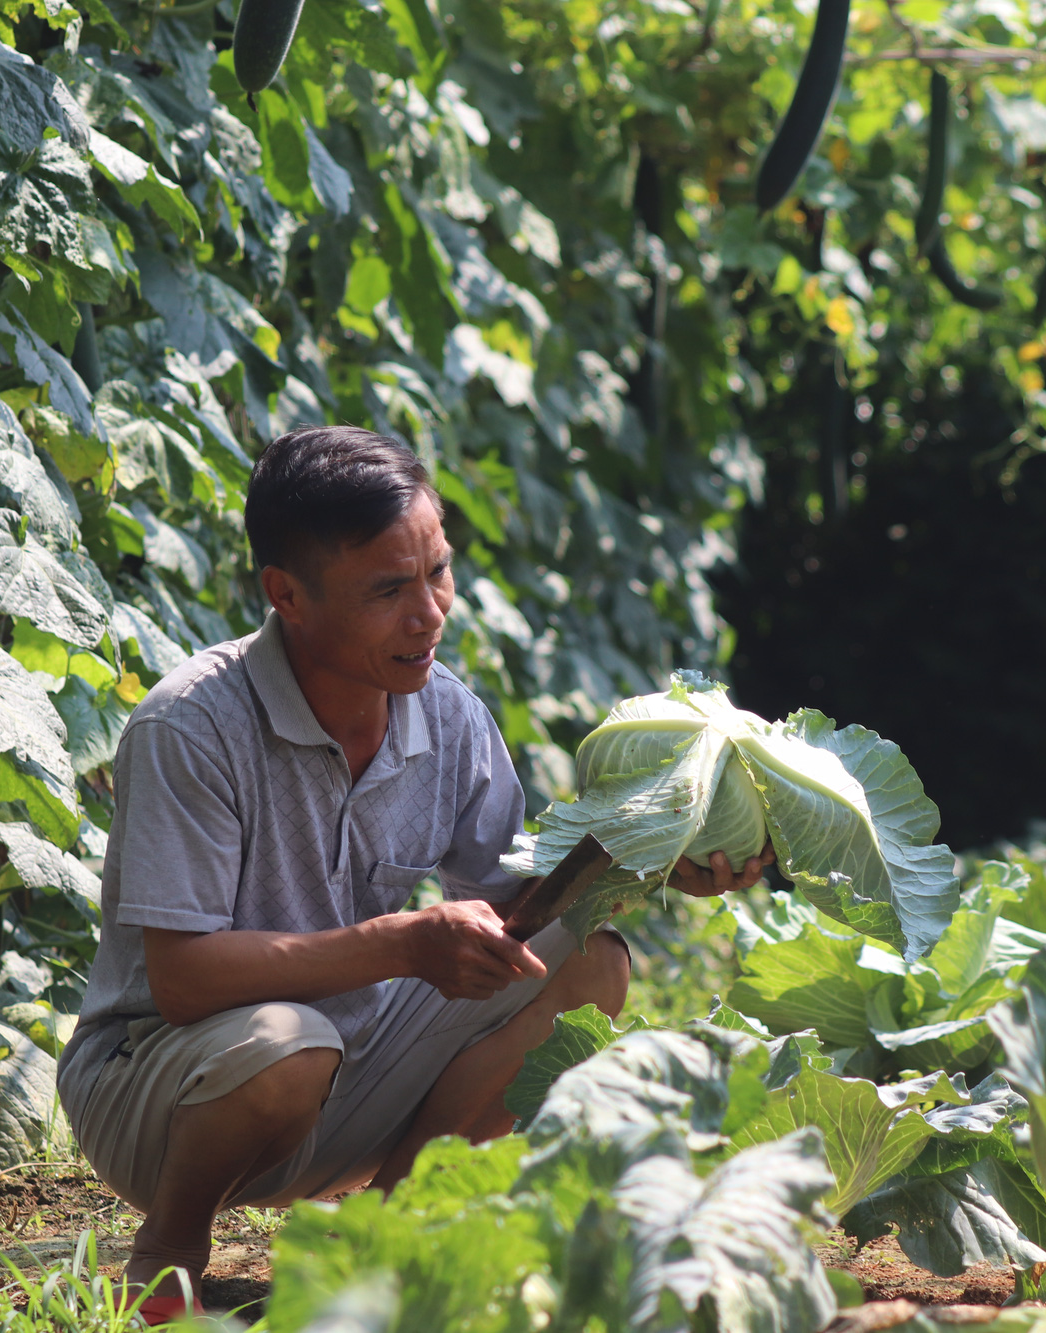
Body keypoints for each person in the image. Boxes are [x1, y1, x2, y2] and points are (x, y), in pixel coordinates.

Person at [55, 425, 773, 1320]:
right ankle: (166, 1253)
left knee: (588, 959)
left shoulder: (450, 717)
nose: (429, 611)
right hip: (160, 1089)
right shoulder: (189, 728)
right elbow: (184, 978)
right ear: (288, 596)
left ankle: (375, 1249)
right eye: (389, 588)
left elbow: (520, 913)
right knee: (289, 1043)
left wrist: (656, 863)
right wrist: (399, 943)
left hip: (348, 1074)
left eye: (438, 570)